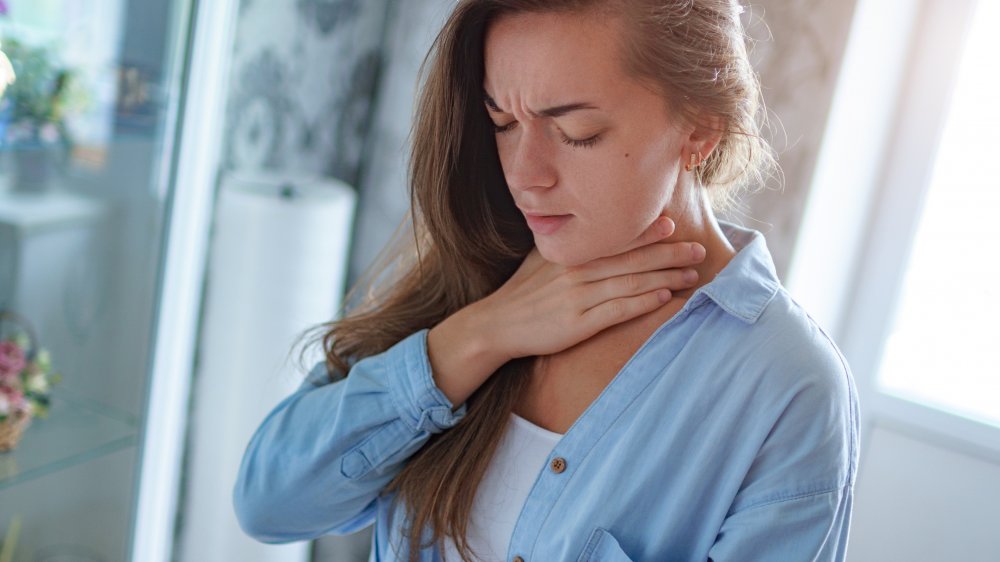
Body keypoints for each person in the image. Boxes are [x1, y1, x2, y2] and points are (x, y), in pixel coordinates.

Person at [233, 1, 859, 561]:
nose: (526, 175)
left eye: (575, 132)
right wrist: (481, 335)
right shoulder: (484, 265)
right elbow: (268, 505)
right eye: (503, 123)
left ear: (698, 124)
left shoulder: (788, 389)